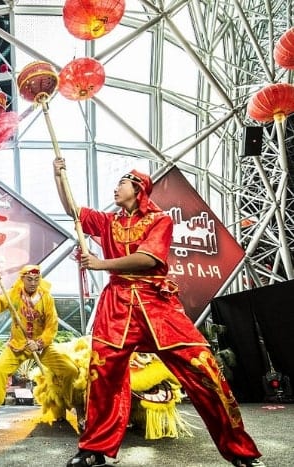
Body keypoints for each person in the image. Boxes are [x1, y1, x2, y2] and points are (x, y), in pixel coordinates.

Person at [52, 158, 262, 467]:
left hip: (157, 303)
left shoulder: (160, 220)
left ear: (138, 188)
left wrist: (101, 264)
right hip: (117, 306)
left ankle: (242, 453)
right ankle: (93, 450)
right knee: (102, 377)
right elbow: (73, 209)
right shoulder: (109, 222)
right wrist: (58, 175)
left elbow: (148, 260)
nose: (115, 188)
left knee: (205, 370)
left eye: (121, 183)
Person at [0, 265, 79, 430]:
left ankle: (76, 409)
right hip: (18, 345)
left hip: (42, 347)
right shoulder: (14, 294)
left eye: (36, 279)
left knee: (70, 370)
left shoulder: (46, 297)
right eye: (29, 279)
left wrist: (39, 342)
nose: (33, 283)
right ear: (22, 279)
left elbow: (52, 326)